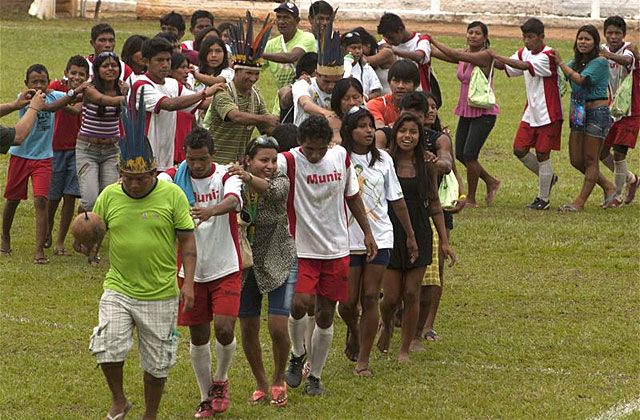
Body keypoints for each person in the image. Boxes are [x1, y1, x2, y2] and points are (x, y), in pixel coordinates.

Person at [87, 94, 196, 420]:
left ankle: (151, 413)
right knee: (107, 348)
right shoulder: (109, 195)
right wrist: (86, 242)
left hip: (161, 292)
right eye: (127, 178)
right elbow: (96, 232)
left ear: (153, 172)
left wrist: (188, 283)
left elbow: (188, 243)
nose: (133, 185)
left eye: (140, 178)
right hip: (118, 288)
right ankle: (119, 399)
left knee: (157, 362)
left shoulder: (172, 194)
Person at [280, 116, 377, 395]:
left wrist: (367, 233)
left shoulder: (340, 157)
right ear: (300, 143)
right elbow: (262, 164)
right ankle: (297, 354)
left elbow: (353, 196)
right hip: (302, 248)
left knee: (325, 314)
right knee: (300, 304)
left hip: (336, 249)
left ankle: (316, 376)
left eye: (319, 149)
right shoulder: (289, 160)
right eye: (309, 149)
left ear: (328, 144)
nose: (314, 154)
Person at [158, 127, 243, 417]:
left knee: (223, 327)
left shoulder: (226, 175)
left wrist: (212, 210)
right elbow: (151, 184)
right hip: (190, 271)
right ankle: (205, 395)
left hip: (225, 266)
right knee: (197, 335)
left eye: (202, 160)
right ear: (185, 156)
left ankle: (221, 379)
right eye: (192, 160)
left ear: (213, 156)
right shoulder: (172, 176)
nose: (196, 165)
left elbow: (233, 200)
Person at [337, 106, 417, 376]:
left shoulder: (383, 159)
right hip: (346, 237)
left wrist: (410, 235)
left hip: (380, 235)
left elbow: (396, 199)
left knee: (370, 296)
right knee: (347, 302)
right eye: (361, 126)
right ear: (349, 131)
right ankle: (354, 329)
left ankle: (363, 360)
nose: (369, 131)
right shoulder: (339, 157)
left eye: (371, 125)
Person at [377, 113, 456, 363]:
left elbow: (434, 204)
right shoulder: (384, 163)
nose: (407, 136)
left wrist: (444, 241)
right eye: (402, 131)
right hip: (391, 232)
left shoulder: (427, 166)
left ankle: (405, 349)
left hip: (420, 232)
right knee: (390, 297)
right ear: (395, 135)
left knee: (412, 293)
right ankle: (386, 324)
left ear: (420, 136)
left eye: (413, 132)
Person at [227, 136, 296, 407]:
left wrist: (246, 176)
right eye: (263, 160)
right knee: (249, 325)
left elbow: (273, 192)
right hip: (246, 262)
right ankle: (260, 382)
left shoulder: (281, 180)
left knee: (278, 326)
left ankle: (279, 379)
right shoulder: (235, 183)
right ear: (248, 159)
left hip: (279, 256)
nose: (269, 165)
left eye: (273, 160)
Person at [2, 64, 87, 263]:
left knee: (42, 201)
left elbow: (69, 104)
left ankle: (39, 250)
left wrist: (86, 93)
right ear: (26, 84)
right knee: (12, 200)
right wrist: (74, 93)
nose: (39, 85)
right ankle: (5, 237)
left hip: (44, 158)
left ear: (49, 82)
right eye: (34, 82)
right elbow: (64, 101)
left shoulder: (53, 96)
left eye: (43, 81)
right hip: (21, 156)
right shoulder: (23, 99)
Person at [490, 18, 563, 210]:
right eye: (524, 37)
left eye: (530, 37)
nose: (526, 41)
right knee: (519, 149)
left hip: (549, 113)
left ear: (541, 37)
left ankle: (543, 199)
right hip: (531, 111)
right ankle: (548, 178)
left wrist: (495, 55)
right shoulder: (524, 52)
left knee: (542, 153)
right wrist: (482, 56)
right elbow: (508, 67)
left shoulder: (548, 55)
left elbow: (523, 66)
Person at [428, 23, 501, 207]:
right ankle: (491, 181)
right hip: (467, 110)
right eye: (471, 32)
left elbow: (456, 55)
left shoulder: (484, 55)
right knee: (460, 154)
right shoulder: (466, 54)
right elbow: (446, 56)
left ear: (485, 38)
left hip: (484, 112)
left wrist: (433, 39)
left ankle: (471, 198)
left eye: (478, 33)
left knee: (470, 154)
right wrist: (422, 49)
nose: (473, 36)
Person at [131, 37, 219, 172]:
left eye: (168, 60)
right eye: (160, 60)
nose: (165, 64)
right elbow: (169, 104)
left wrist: (228, 98)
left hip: (167, 159)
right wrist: (204, 93)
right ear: (146, 62)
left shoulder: (172, 84)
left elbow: (202, 103)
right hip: (142, 160)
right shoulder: (141, 85)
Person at [203, 13, 279, 164]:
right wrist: (266, 118)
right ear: (236, 72)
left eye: (256, 74)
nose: (253, 78)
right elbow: (235, 116)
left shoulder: (255, 94)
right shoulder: (223, 91)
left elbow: (266, 127)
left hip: (239, 165)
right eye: (248, 73)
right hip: (215, 164)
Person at [555, 25, 615, 211]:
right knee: (575, 159)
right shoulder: (575, 62)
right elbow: (561, 76)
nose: (582, 42)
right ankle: (608, 186)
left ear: (595, 43)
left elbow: (581, 80)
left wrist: (560, 63)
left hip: (596, 111)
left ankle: (579, 202)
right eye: (580, 38)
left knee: (590, 159)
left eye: (587, 39)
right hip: (578, 110)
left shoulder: (600, 62)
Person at [46, 55, 89, 256]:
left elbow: (74, 110)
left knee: (70, 196)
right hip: (54, 149)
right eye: (73, 73)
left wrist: (62, 99)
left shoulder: (87, 92)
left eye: (82, 74)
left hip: (77, 149)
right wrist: (69, 94)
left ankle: (61, 241)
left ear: (87, 76)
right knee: (52, 197)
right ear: (66, 73)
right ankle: (46, 231)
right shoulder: (56, 85)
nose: (77, 77)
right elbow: (48, 94)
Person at [77, 51, 128, 218]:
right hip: (87, 149)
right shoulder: (89, 89)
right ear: (97, 69)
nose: (110, 69)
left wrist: (126, 93)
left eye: (114, 66)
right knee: (90, 200)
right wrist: (126, 97)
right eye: (105, 66)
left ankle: (93, 239)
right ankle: (82, 224)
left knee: (107, 198)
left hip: (111, 151)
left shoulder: (122, 88)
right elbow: (102, 100)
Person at [599, 16, 640, 206]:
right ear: (604, 34)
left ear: (624, 35)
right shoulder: (603, 49)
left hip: (631, 111)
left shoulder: (629, 49)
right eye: (609, 33)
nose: (613, 36)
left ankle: (615, 196)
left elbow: (626, 60)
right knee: (601, 152)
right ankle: (631, 179)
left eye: (617, 33)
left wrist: (608, 56)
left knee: (619, 153)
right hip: (612, 110)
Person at [262, 1, 317, 106]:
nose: (281, 21)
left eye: (286, 17)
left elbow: (292, 57)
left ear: (297, 21)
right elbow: (255, 66)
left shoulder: (307, 37)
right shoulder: (270, 45)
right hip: (281, 103)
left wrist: (260, 54)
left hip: (306, 99)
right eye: (279, 17)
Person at [291, 14, 343, 126]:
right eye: (327, 81)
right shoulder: (304, 84)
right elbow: (305, 103)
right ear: (317, 74)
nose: (331, 86)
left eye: (336, 82)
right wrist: (328, 114)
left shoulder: (345, 87)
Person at [376, 13, 439, 93]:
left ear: (400, 30)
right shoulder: (385, 43)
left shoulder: (420, 41)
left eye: (391, 37)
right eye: (386, 37)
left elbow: (419, 56)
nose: (389, 41)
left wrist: (394, 51)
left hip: (420, 94)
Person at [366, 59, 419, 147]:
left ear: (416, 85)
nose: (400, 86)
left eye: (406, 82)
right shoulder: (376, 104)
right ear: (389, 82)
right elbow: (380, 130)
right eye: (396, 81)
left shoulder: (422, 105)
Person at [170, 52, 197, 164]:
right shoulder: (169, 90)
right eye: (182, 67)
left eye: (187, 67)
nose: (187, 71)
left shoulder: (188, 90)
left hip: (186, 145)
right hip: (171, 146)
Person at [353, 27, 396, 95]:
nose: (356, 51)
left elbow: (365, 60)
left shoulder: (386, 52)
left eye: (358, 47)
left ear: (368, 45)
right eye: (353, 47)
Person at [342, 31, 382, 100]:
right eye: (353, 48)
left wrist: (364, 98)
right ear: (343, 49)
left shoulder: (366, 68)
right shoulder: (336, 68)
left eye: (359, 48)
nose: (357, 51)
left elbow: (377, 92)